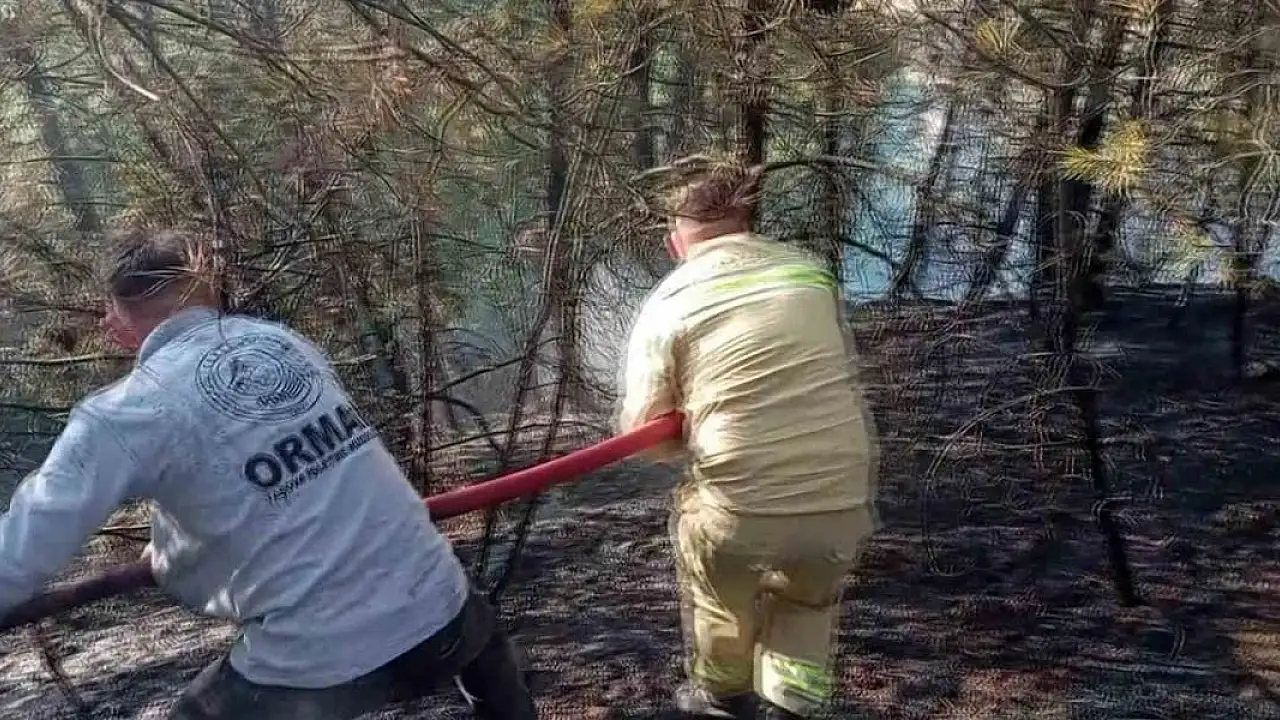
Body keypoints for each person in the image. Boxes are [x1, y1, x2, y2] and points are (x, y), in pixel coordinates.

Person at [0, 227, 538, 719]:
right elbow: (256, 482)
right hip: (444, 612)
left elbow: (23, 549)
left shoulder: (121, 414)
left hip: (325, 662)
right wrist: (167, 551)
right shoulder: (283, 345)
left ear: (119, 319)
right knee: (485, 651)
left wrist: (168, 561)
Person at [618, 159, 880, 720]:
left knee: (720, 595)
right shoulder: (809, 272)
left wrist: (689, 432)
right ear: (745, 222)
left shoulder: (670, 300)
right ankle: (791, 705)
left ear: (676, 239)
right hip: (841, 494)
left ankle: (722, 697)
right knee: (807, 603)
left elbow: (646, 437)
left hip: (741, 507)